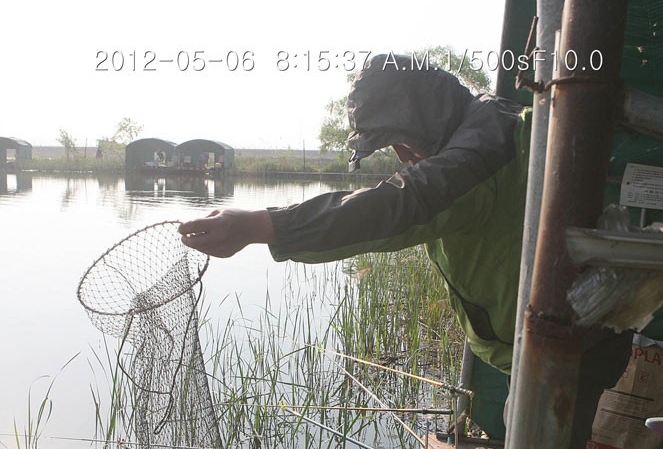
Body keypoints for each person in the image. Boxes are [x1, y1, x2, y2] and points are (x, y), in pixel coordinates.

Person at [180, 57, 531, 382]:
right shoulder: (491, 123)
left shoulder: (479, 153)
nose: (402, 156)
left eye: (398, 140)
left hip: (546, 355)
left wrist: (258, 226)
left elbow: (393, 206)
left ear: (425, 117)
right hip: (526, 354)